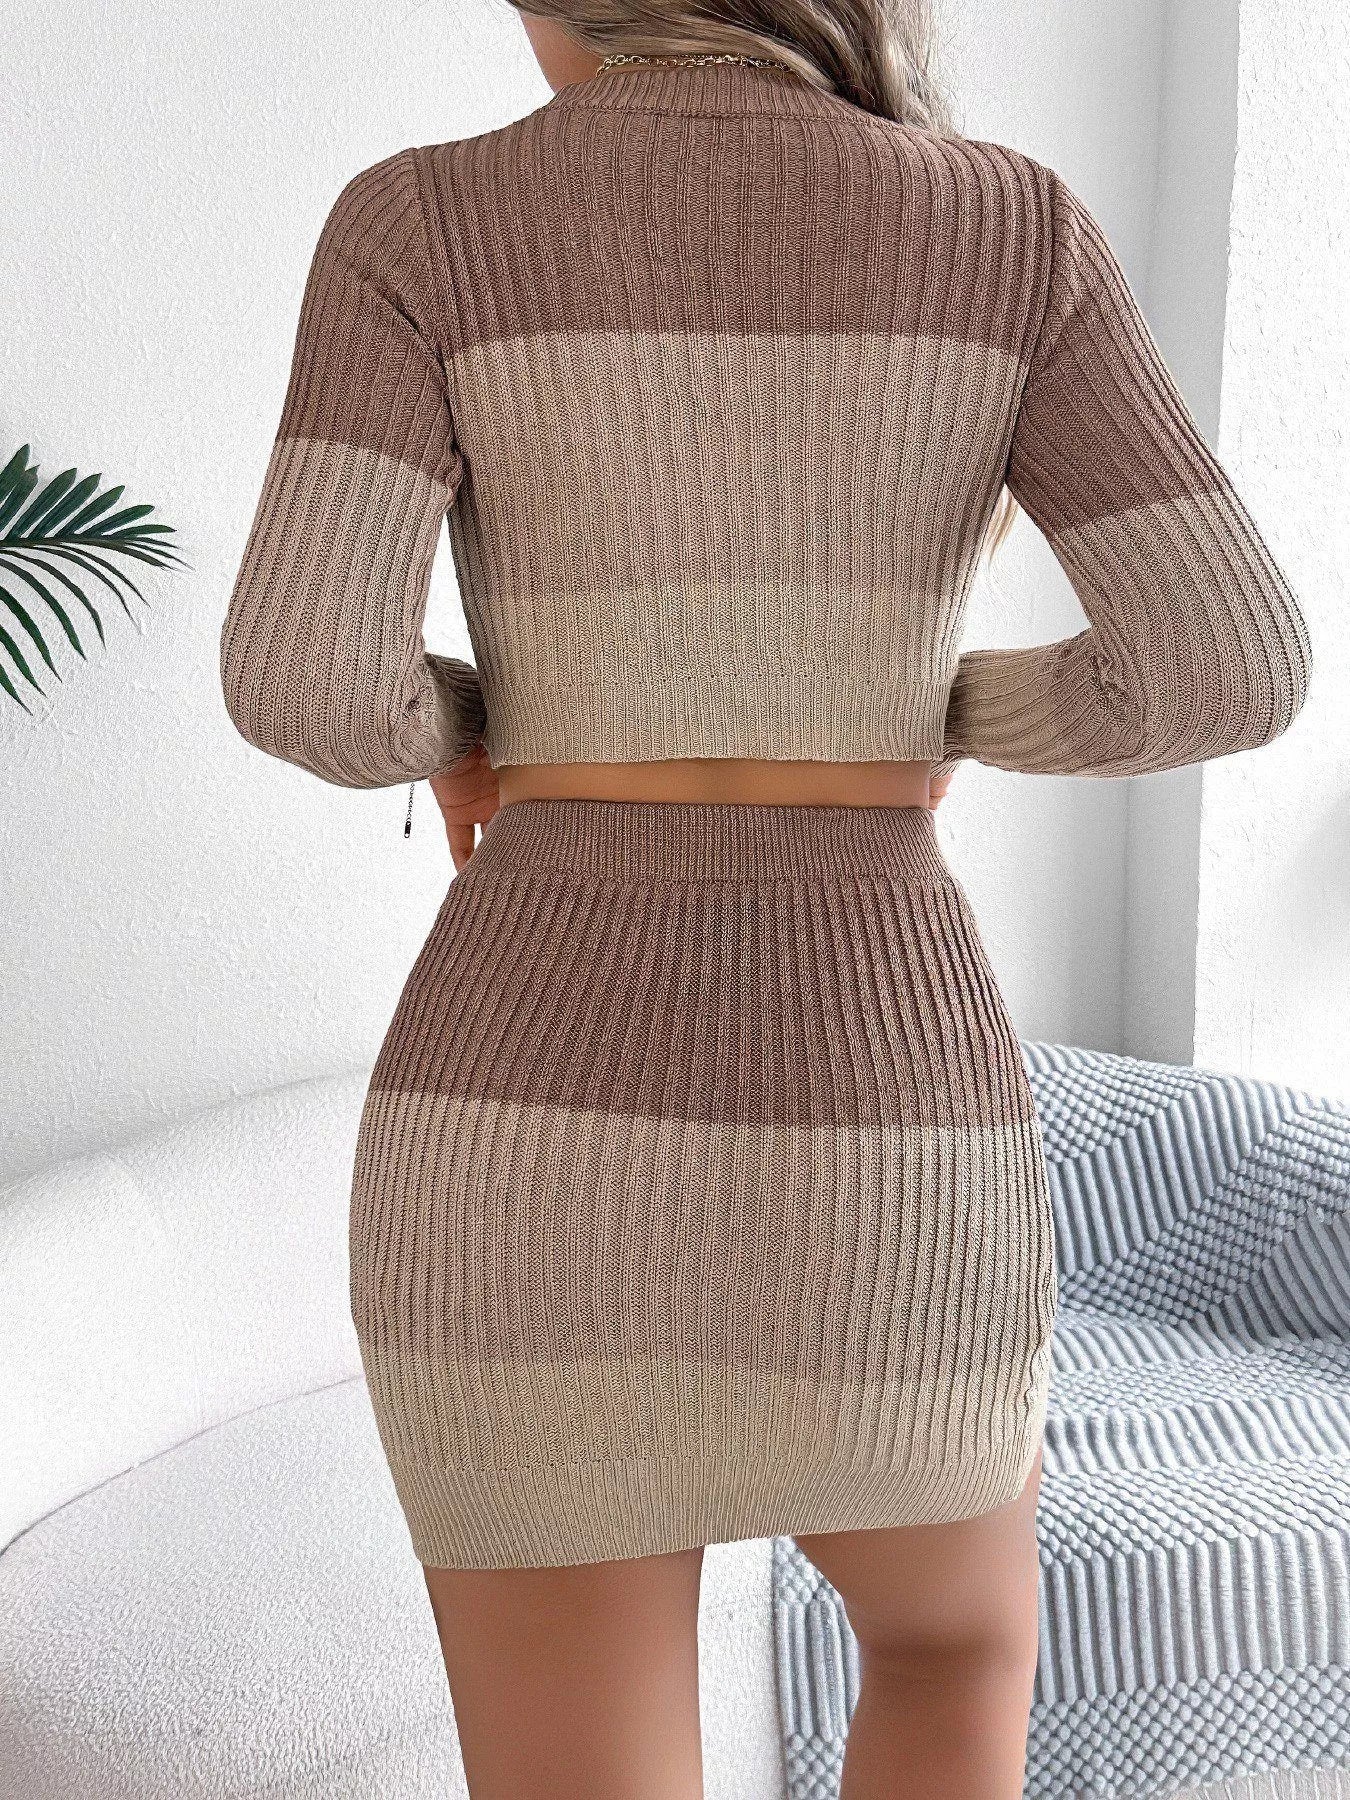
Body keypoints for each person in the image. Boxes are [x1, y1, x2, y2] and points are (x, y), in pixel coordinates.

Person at [218, 3, 1311, 1794]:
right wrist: (919, 713)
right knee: (950, 1656)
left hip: (516, 1136)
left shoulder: (419, 223)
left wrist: (498, 731)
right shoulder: (1007, 226)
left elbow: (309, 687)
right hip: (886, 1123)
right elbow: (1223, 668)